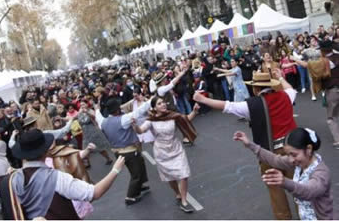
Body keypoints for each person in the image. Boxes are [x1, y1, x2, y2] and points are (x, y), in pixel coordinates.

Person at [193, 69, 298, 220]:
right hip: (293, 149)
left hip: (269, 153)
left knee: (276, 193)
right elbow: (290, 89)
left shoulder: (252, 105)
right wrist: (280, 77)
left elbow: (227, 106)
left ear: (255, 89)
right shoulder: (286, 95)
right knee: (299, 189)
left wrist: (203, 100)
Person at [0, 129, 125, 220]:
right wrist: (115, 170)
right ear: (46, 151)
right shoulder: (57, 178)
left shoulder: (10, 180)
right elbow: (94, 192)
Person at [233, 128, 333, 220]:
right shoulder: (299, 163)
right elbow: (275, 159)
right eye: (288, 154)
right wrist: (250, 144)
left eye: (294, 154)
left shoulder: (321, 173)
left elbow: (308, 191)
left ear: (309, 149)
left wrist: (285, 182)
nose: (290, 159)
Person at [132, 96, 199, 213]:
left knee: (184, 175)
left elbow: (186, 119)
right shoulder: (151, 120)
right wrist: (134, 126)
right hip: (161, 152)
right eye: (159, 104)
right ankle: (177, 193)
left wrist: (194, 111)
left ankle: (184, 201)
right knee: (170, 177)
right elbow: (140, 131)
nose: (163, 105)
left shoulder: (172, 115)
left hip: (176, 149)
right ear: (154, 108)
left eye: (163, 102)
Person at [95, 97, 151, 205]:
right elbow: (139, 111)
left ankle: (139, 186)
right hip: (129, 151)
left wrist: (97, 108)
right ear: (117, 110)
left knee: (138, 166)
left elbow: (98, 115)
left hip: (117, 153)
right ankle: (130, 197)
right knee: (136, 174)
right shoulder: (123, 119)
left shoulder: (103, 122)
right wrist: (151, 100)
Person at [293, 40, 339, 149]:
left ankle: (338, 140)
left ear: (322, 50)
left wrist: (295, 59)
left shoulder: (325, 61)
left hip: (333, 90)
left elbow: (307, 65)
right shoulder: (337, 56)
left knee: (332, 117)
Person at [78, 100, 113, 165]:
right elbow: (79, 121)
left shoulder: (90, 110)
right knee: (85, 148)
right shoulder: (80, 113)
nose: (82, 106)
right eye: (80, 105)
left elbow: (94, 117)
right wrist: (79, 113)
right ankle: (87, 163)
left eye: (83, 104)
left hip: (93, 132)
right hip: (85, 133)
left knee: (99, 148)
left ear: (87, 104)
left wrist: (87, 112)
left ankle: (108, 158)